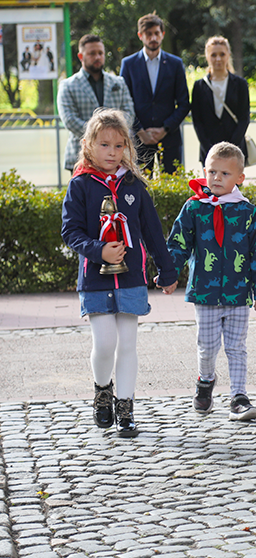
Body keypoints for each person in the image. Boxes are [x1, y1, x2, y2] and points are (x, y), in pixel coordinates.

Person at [60, 108, 178, 438]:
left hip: (131, 278)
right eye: (104, 145)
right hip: (95, 279)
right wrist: (99, 250)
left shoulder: (134, 186)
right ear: (88, 145)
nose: (111, 153)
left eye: (118, 146)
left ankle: (125, 408)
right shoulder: (80, 185)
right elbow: (70, 232)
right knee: (105, 342)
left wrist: (167, 271)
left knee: (127, 344)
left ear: (126, 146)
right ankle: (102, 391)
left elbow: (153, 232)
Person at [166, 142, 256, 421]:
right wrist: (169, 274)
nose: (216, 178)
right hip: (205, 292)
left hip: (238, 294)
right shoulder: (194, 208)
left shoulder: (247, 212)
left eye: (224, 174)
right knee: (208, 346)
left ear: (240, 178)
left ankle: (239, 396)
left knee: (236, 346)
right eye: (211, 171)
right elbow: (178, 244)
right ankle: (205, 380)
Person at [120, 13, 190, 175]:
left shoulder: (175, 64)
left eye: (156, 33)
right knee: (139, 189)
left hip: (170, 138)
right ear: (140, 36)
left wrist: (165, 128)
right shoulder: (128, 64)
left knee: (173, 185)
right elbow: (124, 103)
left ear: (162, 35)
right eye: (148, 34)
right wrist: (140, 131)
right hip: (139, 139)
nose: (153, 37)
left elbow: (184, 103)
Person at [58, 34, 136, 172]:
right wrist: (99, 138)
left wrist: (112, 139)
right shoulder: (67, 85)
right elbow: (70, 120)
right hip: (81, 156)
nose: (97, 57)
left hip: (117, 157)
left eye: (100, 53)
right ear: (81, 56)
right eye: (92, 53)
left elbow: (129, 113)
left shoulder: (118, 82)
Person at [191, 36, 251, 165]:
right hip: (208, 151)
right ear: (207, 56)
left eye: (222, 54)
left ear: (228, 55)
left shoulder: (240, 84)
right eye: (213, 55)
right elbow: (197, 121)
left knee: (233, 185)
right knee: (211, 185)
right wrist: (209, 148)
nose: (218, 59)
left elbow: (244, 118)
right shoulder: (199, 86)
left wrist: (230, 148)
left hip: (235, 151)